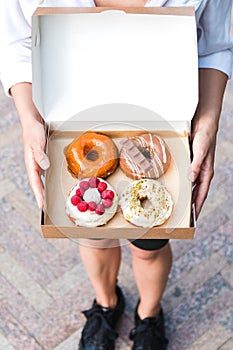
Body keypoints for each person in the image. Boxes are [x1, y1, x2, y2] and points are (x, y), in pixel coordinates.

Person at [0, 1, 232, 349]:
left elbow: (216, 45)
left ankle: (149, 314)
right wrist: (29, 120)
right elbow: (16, 39)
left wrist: (208, 122)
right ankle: (107, 304)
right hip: (78, 124)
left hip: (161, 124)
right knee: (95, 239)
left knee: (150, 247)